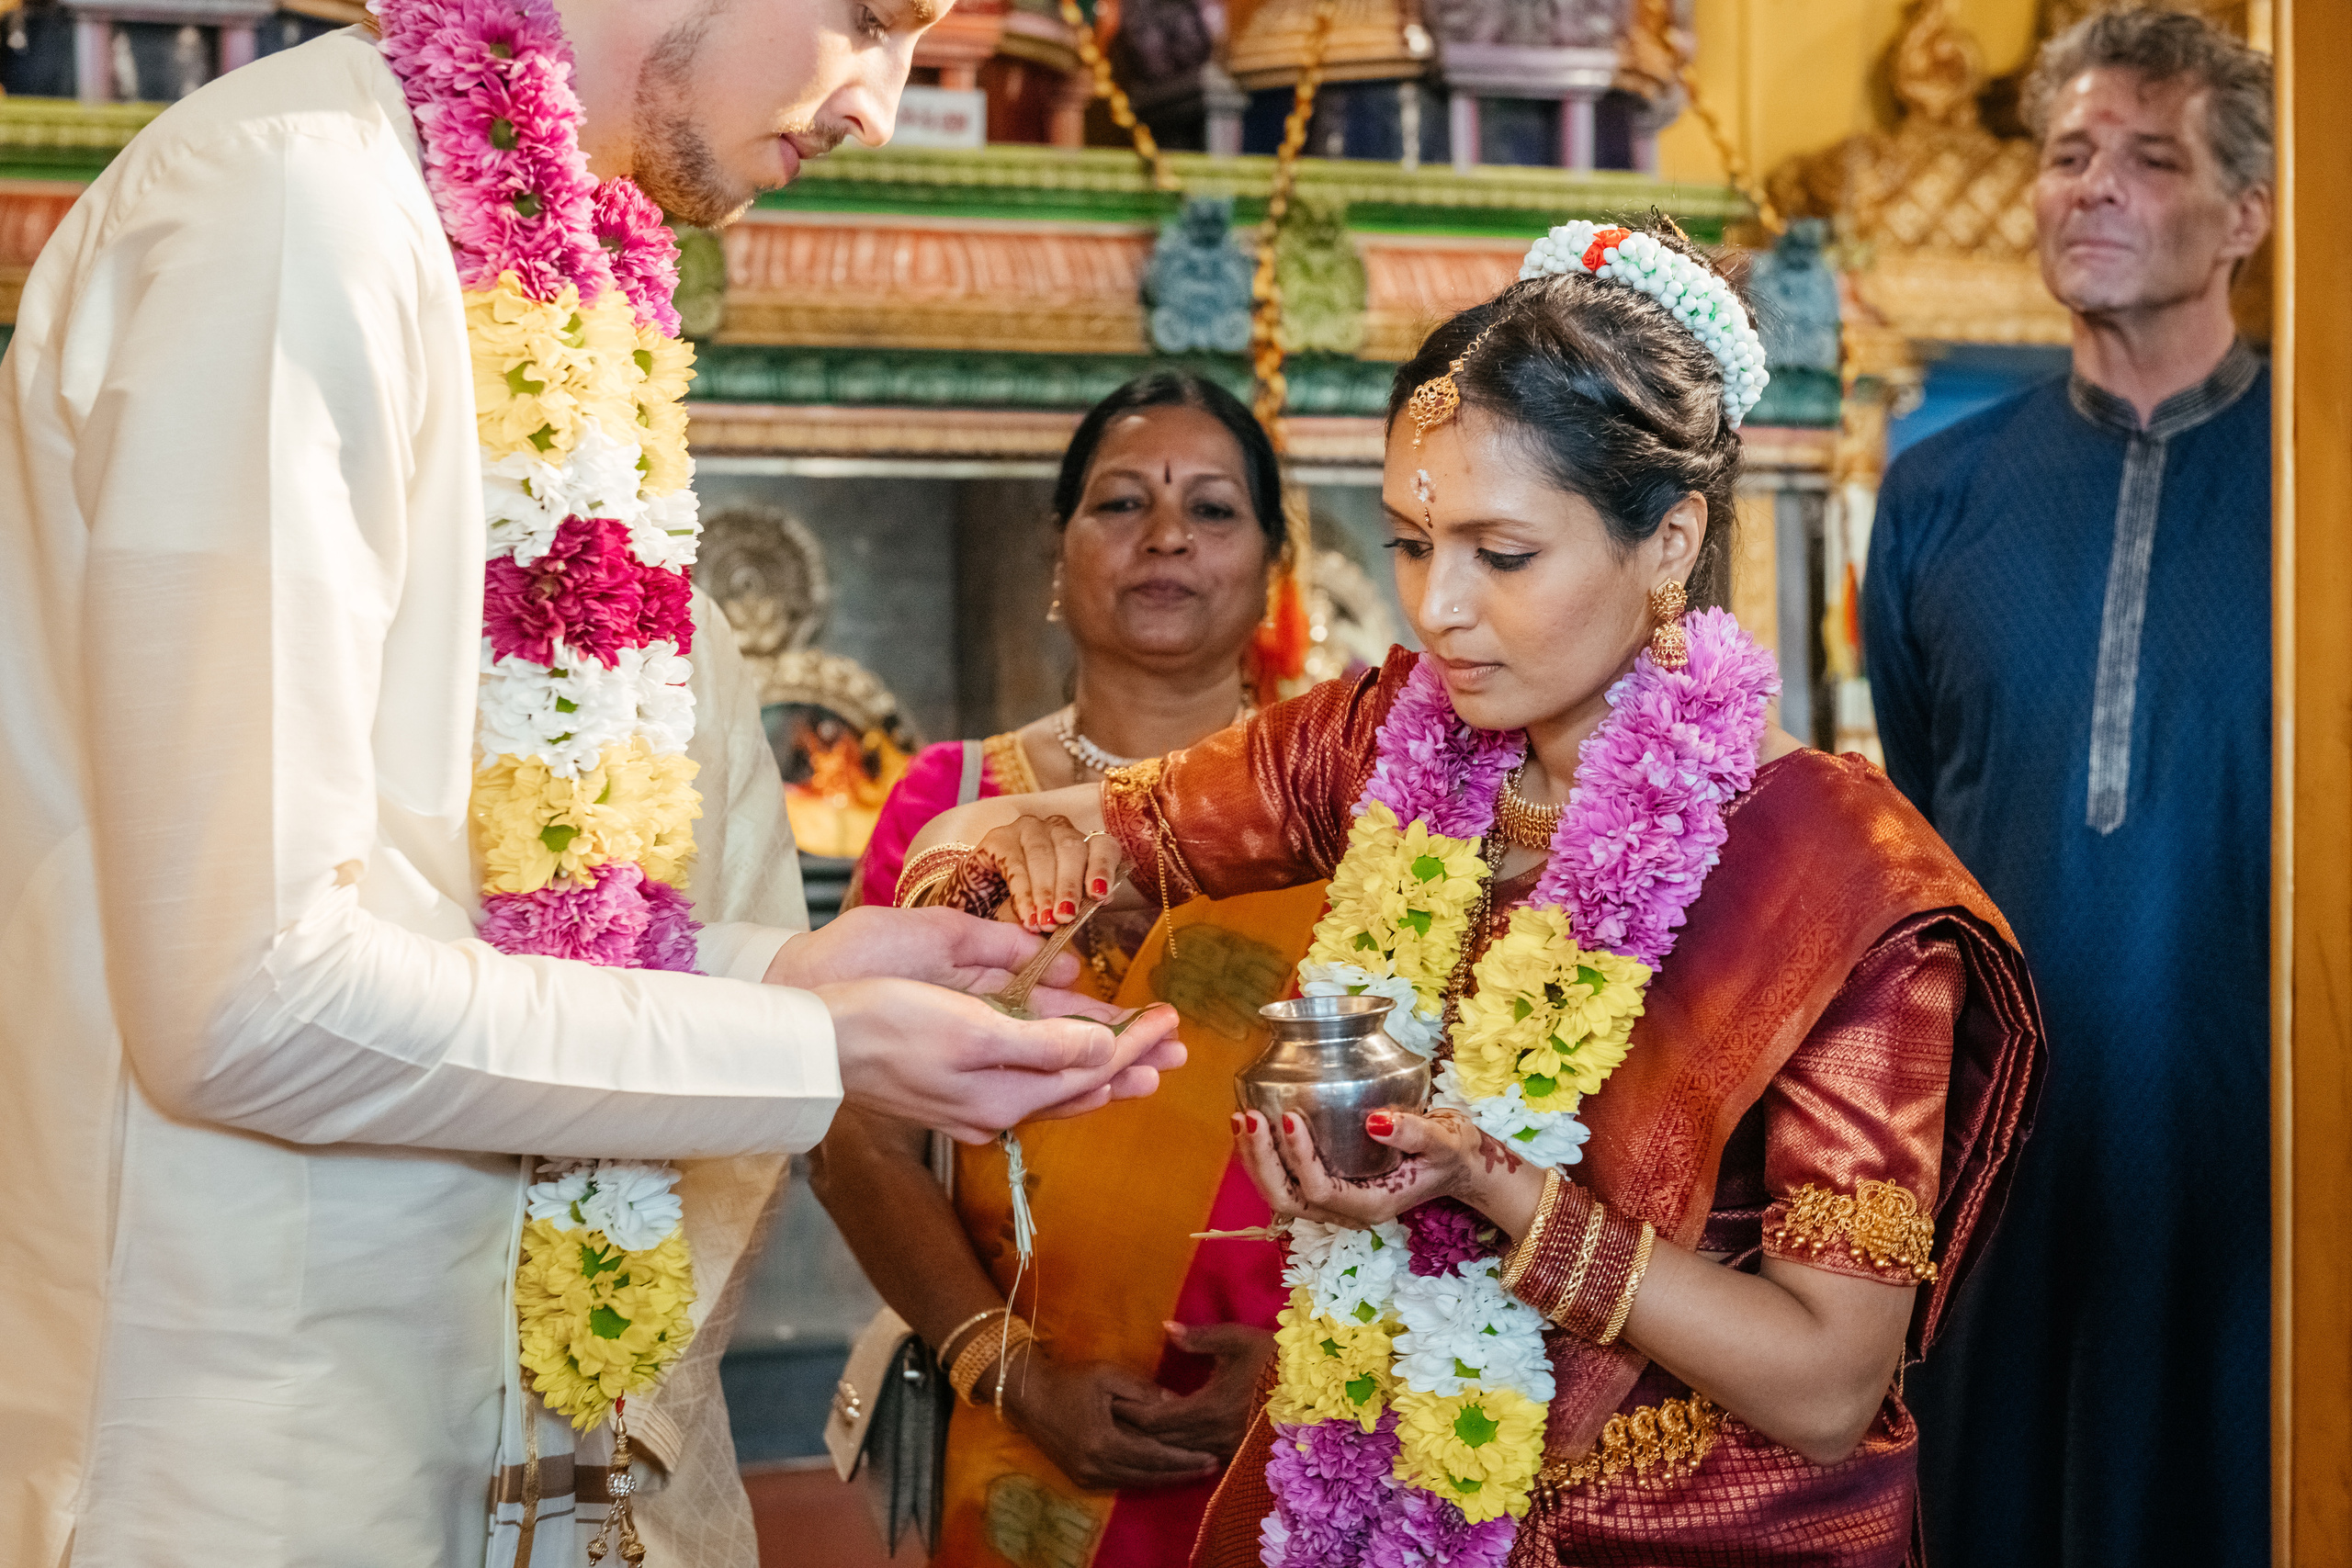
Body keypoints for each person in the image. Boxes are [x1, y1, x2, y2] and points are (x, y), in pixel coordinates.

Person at [0, 3, 1187, 1565]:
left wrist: (793, 968)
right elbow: (249, 1003)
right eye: (875, 21)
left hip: (480, 1456)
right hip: (252, 1472)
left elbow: (446, 911)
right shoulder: (297, 211)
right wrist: (807, 1044)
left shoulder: (528, 261)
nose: (882, 108)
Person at [904, 220, 2045, 1566]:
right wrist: (966, 900)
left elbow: (1826, 1382)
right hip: (1380, 1500)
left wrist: (1502, 1192)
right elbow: (1046, 818)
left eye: (1503, 557)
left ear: (1669, 542)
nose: (1439, 610)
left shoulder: (1841, 878)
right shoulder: (1392, 739)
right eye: (1407, 542)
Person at [1860, 12, 2273, 1567]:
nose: (2088, 188)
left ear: (2246, 214)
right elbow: (1929, 809)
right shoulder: (1940, 494)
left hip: (2259, 1148)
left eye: (2148, 158)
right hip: (2002, 1148)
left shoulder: (2324, 475)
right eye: (2067, 154)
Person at [818, 368, 1331, 1567]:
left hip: (1310, 1434)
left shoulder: (1356, 810)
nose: (1166, 536)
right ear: (1058, 553)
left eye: (1212, 510)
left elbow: (1468, 1128)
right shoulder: (953, 808)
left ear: (1269, 563)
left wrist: (1321, 1366)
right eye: (1119, 505)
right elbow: (855, 1134)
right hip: (1024, 1446)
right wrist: (1002, 1366)